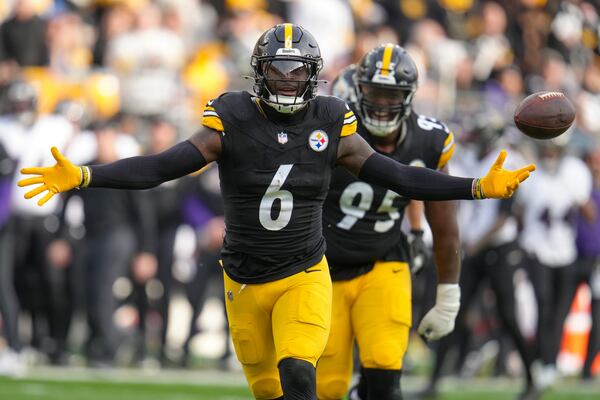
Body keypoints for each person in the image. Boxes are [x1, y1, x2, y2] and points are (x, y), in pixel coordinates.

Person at [18, 23, 534, 400]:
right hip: (243, 277)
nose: (287, 82)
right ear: (259, 74)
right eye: (277, 71)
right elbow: (164, 165)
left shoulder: (333, 119)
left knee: (301, 375)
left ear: (313, 77)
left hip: (306, 272)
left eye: (297, 73)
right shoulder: (232, 115)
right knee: (271, 391)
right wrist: (89, 175)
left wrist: (474, 188)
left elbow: (396, 175)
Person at [316, 44, 460, 400]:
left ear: (409, 95)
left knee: (383, 366)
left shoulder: (429, 139)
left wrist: (448, 296)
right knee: (326, 387)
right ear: (359, 90)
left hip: (383, 260)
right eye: (375, 92)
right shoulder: (332, 130)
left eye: (391, 94)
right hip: (322, 267)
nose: (381, 102)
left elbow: (442, 224)